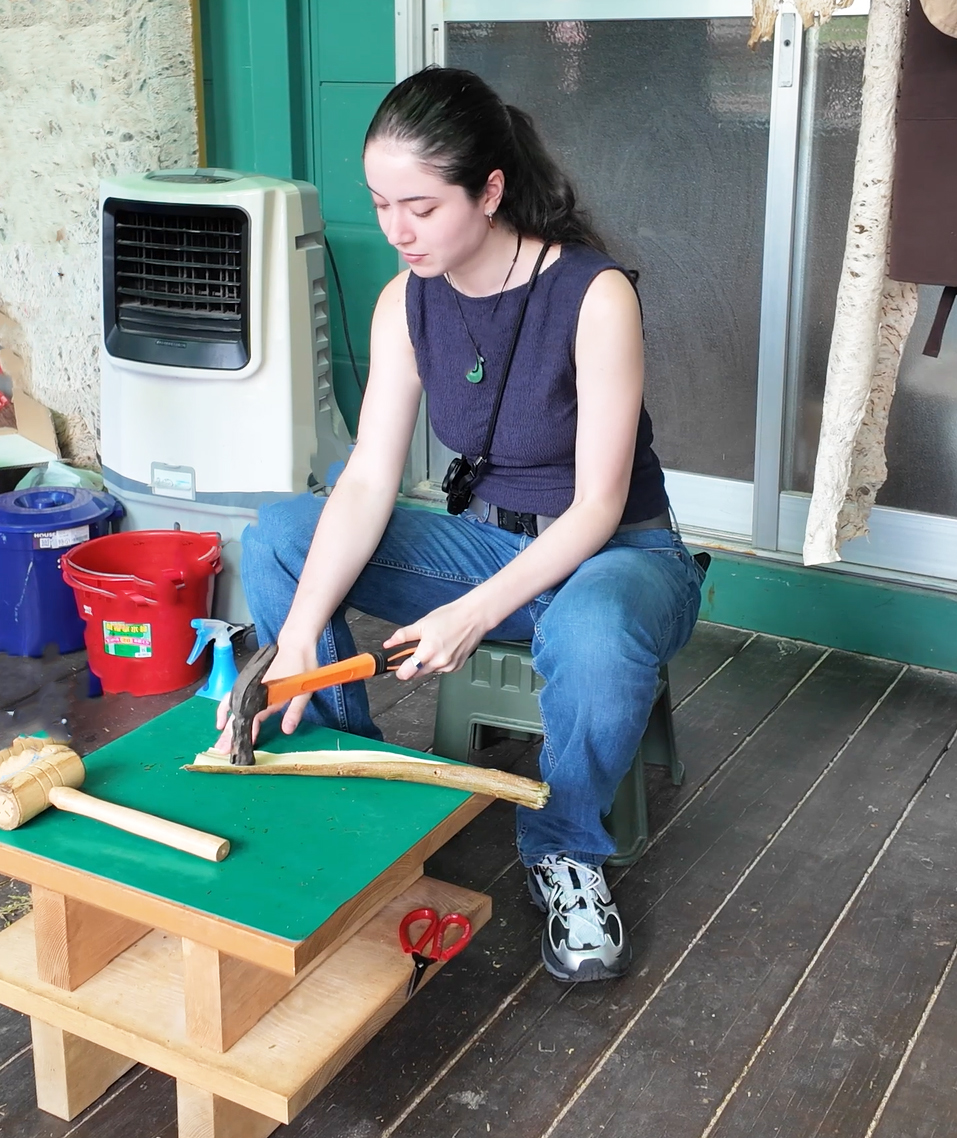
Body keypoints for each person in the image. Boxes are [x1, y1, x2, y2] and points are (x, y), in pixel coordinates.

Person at [219, 67, 704, 983]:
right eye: (380, 204)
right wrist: (291, 643)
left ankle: (565, 851)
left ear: (489, 191)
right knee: (286, 531)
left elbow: (599, 505)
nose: (396, 230)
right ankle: (348, 782)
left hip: (620, 556)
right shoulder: (408, 301)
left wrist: (473, 611)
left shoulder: (595, 295)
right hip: (490, 542)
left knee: (593, 630)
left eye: (421, 206)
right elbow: (366, 480)